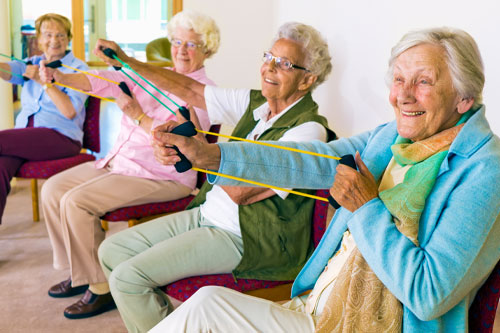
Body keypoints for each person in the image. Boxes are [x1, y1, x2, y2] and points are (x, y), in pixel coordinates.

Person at [149, 27, 500, 332]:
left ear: (464, 96)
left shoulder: (485, 171)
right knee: (206, 306)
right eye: (398, 79)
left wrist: (366, 208)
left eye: (423, 81)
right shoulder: (393, 137)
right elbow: (304, 160)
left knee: (206, 311)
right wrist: (211, 156)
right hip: (321, 307)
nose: (403, 95)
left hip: (370, 325)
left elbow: (428, 296)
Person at [96, 22, 336, 332]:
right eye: (269, 56)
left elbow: (241, 192)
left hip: (245, 236)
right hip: (207, 214)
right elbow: (190, 89)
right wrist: (127, 63)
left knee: (128, 279)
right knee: (111, 251)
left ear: (308, 80)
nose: (269, 67)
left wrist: (193, 152)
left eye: (284, 63)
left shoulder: (307, 130)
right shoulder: (257, 105)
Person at [35, 10, 219, 320]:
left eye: (192, 44)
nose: (182, 50)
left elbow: (180, 142)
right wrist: (60, 77)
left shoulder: (204, 92)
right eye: (177, 42)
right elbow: (102, 81)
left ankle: (100, 286)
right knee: (53, 189)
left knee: (76, 202)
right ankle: (82, 272)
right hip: (120, 161)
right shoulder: (155, 73)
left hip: (160, 175)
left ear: (207, 49)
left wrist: (136, 114)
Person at [0, 13, 87, 224]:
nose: (54, 40)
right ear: (39, 39)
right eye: (48, 35)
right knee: (1, 165)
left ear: (68, 39)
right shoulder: (30, 63)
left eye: (60, 35)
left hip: (62, 138)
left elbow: (69, 112)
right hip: (26, 140)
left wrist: (43, 80)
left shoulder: (79, 69)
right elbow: (4, 71)